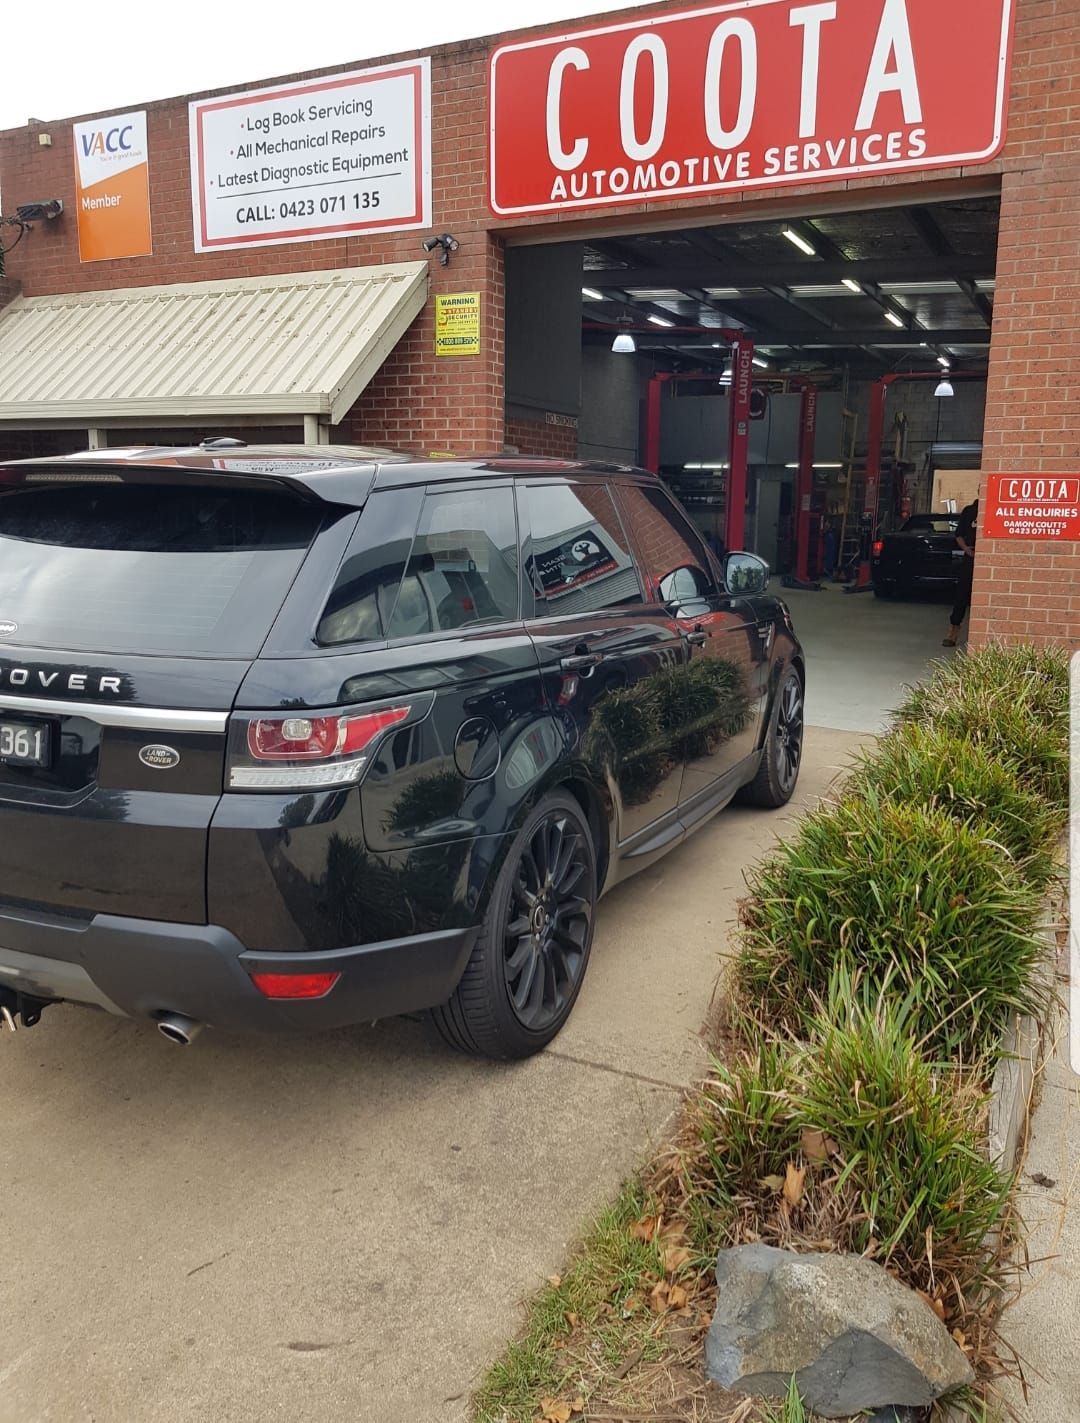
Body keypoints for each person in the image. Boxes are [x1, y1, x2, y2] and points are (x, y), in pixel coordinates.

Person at [943, 498, 979, 648]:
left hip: (988, 558)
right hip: (970, 557)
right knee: (962, 595)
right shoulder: (969, 511)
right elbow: (958, 535)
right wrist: (966, 550)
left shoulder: (994, 509)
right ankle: (953, 632)